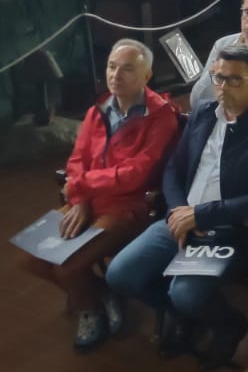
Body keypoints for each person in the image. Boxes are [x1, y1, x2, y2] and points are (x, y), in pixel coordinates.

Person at [105, 46, 248, 370]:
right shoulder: (204, 112)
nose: (222, 86)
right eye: (218, 77)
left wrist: (200, 215)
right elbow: (173, 170)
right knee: (120, 275)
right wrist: (178, 211)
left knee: (187, 294)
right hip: (180, 218)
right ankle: (185, 317)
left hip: (226, 228)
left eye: (234, 79)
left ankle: (229, 325)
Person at [20, 40, 182, 351]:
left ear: (147, 76)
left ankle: (89, 310)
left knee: (67, 267)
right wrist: (80, 200)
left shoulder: (161, 117)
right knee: (31, 259)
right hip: (88, 202)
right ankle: (101, 293)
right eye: (111, 66)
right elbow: (77, 160)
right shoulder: (99, 110)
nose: (115, 75)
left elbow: (135, 174)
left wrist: (81, 186)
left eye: (127, 69)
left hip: (128, 207)